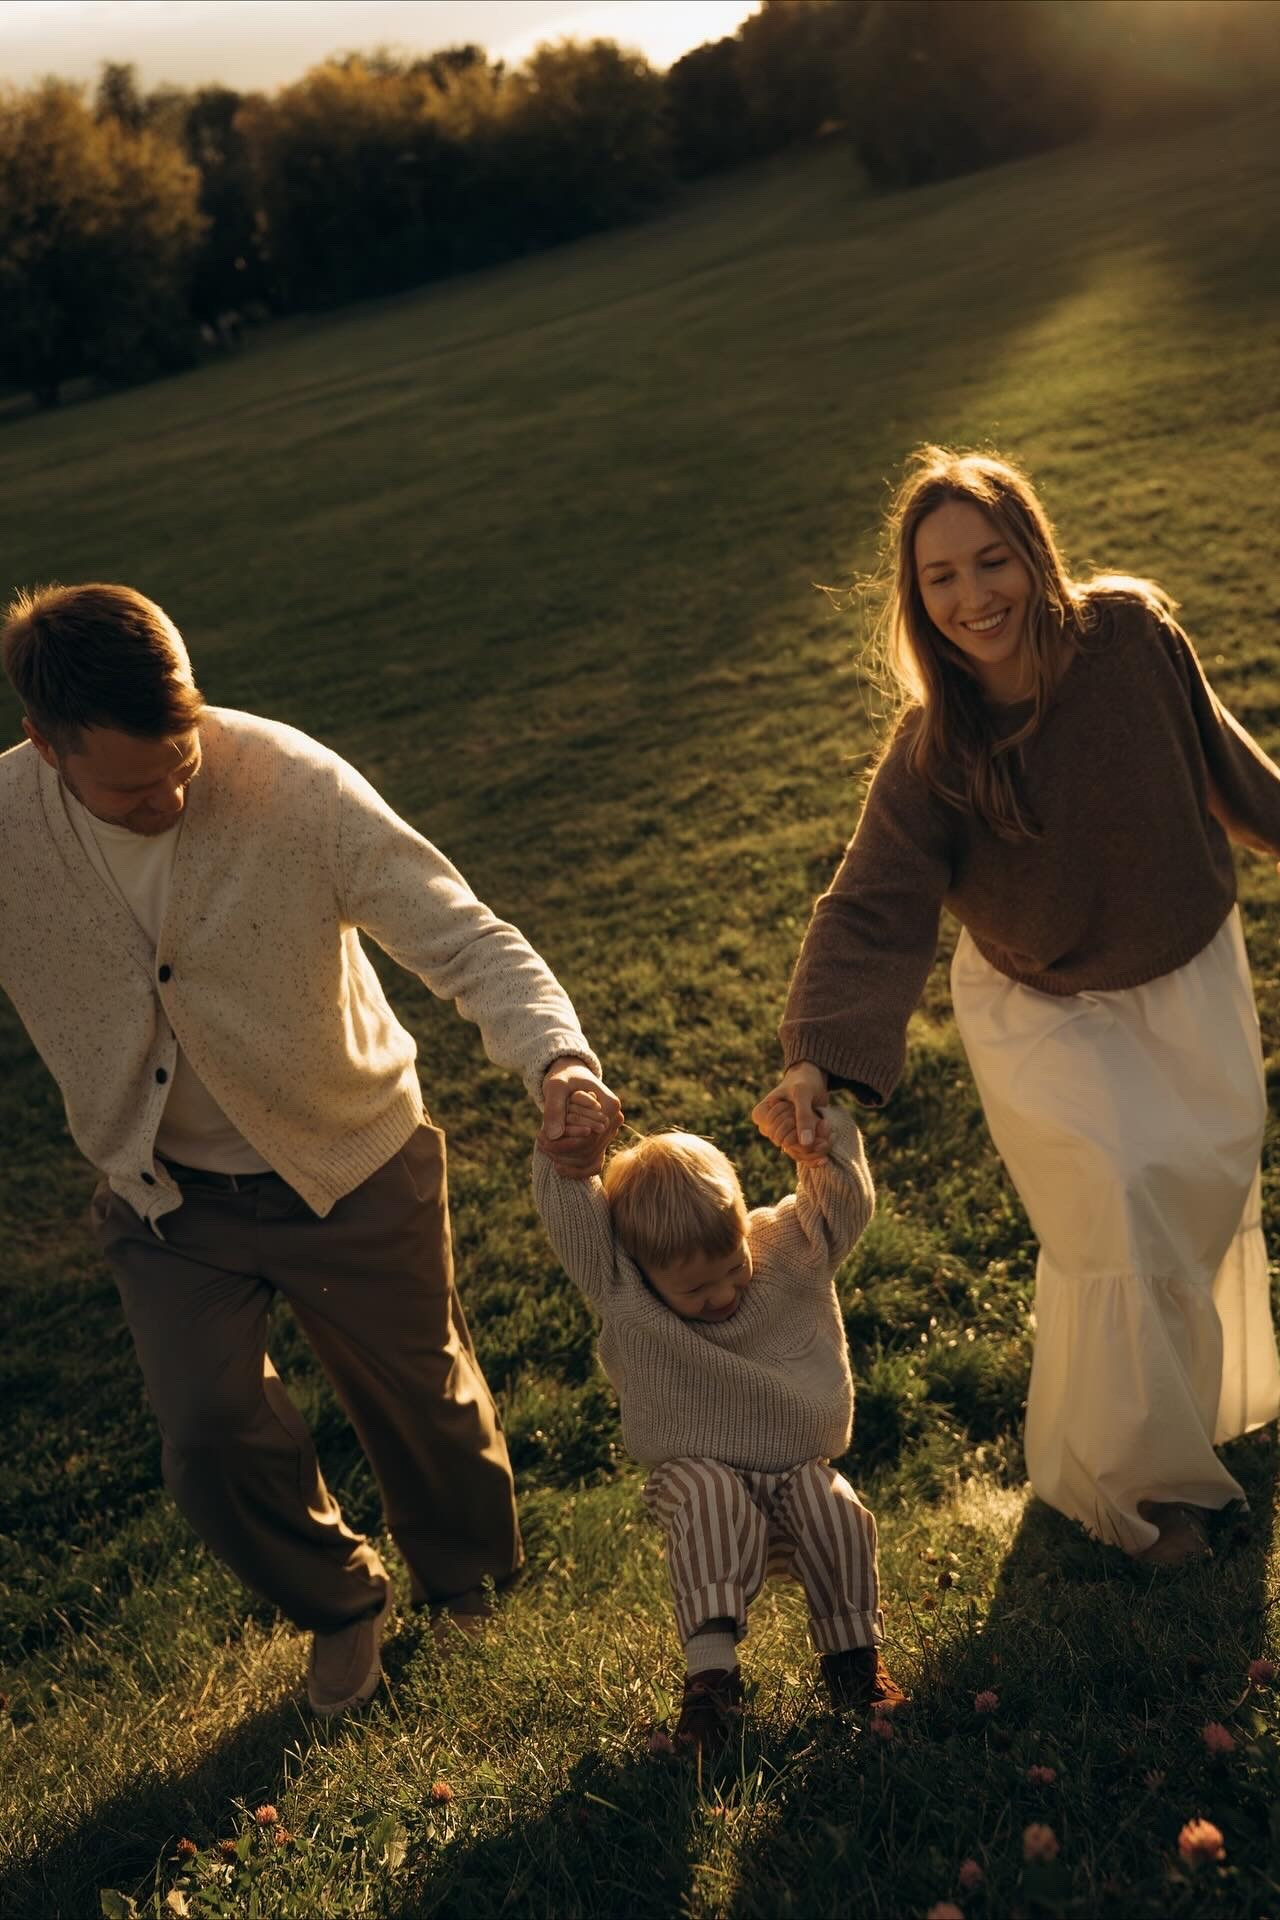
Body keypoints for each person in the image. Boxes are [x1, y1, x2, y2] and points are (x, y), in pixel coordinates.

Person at [0, 582, 621, 1714]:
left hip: (351, 1155)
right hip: (165, 1197)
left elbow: (464, 936)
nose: (170, 797)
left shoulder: (292, 780)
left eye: (182, 761)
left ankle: (468, 1583)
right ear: (46, 746)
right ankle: (339, 1603)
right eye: (133, 790)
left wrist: (557, 1059)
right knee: (205, 1432)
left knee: (422, 1398)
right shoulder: (7, 829)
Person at [755, 446, 1280, 1569]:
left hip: (1185, 968)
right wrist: (812, 1059)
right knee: (1120, 1202)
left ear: (1034, 552)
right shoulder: (932, 752)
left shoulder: (1131, 636)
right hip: (1043, 1006)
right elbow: (868, 907)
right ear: (916, 597)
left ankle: (1196, 1411)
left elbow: (1218, 757)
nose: (972, 596)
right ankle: (1140, 1491)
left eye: (990, 560)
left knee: (1195, 1193)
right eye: (939, 576)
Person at [532, 1087, 905, 1757]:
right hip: (695, 1471)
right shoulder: (623, 1290)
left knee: (838, 1510)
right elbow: (573, 1222)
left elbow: (842, 1208)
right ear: (645, 1271)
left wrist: (819, 1141)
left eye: (734, 1268)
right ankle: (712, 1684)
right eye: (697, 1289)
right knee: (710, 1496)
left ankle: (854, 1664)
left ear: (741, 1227)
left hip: (795, 1470)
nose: (724, 1294)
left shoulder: (787, 1250)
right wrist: (569, 1159)